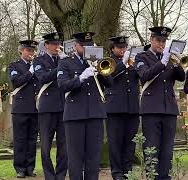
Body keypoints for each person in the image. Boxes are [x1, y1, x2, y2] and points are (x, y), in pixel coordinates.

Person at [57, 32, 113, 180]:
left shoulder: (96, 61)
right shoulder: (65, 63)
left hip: (95, 114)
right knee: (75, 158)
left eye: (89, 45)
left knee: (93, 157)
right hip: (74, 116)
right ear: (75, 46)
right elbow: (62, 85)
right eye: (83, 46)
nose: (87, 48)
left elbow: (110, 83)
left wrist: (100, 71)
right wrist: (81, 78)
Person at [135, 26, 185, 179]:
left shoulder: (169, 57)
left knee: (167, 149)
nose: (161, 44)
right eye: (158, 40)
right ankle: (152, 177)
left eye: (164, 41)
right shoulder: (141, 57)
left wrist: (176, 62)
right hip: (151, 109)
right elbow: (144, 76)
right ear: (151, 40)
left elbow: (181, 77)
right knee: (151, 147)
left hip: (169, 108)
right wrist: (162, 63)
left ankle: (165, 177)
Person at [33, 32, 67, 180]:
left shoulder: (64, 60)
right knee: (46, 146)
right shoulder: (39, 61)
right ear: (46, 45)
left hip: (64, 107)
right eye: (53, 44)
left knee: (64, 147)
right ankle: (49, 175)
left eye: (58, 44)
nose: (56, 47)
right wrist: (61, 66)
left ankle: (60, 175)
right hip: (47, 108)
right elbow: (43, 77)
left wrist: (65, 62)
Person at [105, 36, 140, 180]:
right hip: (115, 107)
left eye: (125, 47)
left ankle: (128, 170)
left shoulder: (133, 61)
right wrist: (123, 63)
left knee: (130, 142)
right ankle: (117, 172)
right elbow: (108, 77)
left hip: (132, 107)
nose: (123, 50)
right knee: (115, 142)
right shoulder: (108, 62)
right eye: (119, 47)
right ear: (113, 49)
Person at [8, 40, 39, 178]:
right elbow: (16, 82)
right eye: (28, 50)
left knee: (32, 140)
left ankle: (30, 168)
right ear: (21, 51)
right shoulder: (14, 65)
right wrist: (30, 72)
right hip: (20, 108)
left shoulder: (37, 66)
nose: (31, 53)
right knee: (20, 140)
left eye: (32, 51)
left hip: (34, 107)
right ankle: (20, 168)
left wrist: (35, 69)